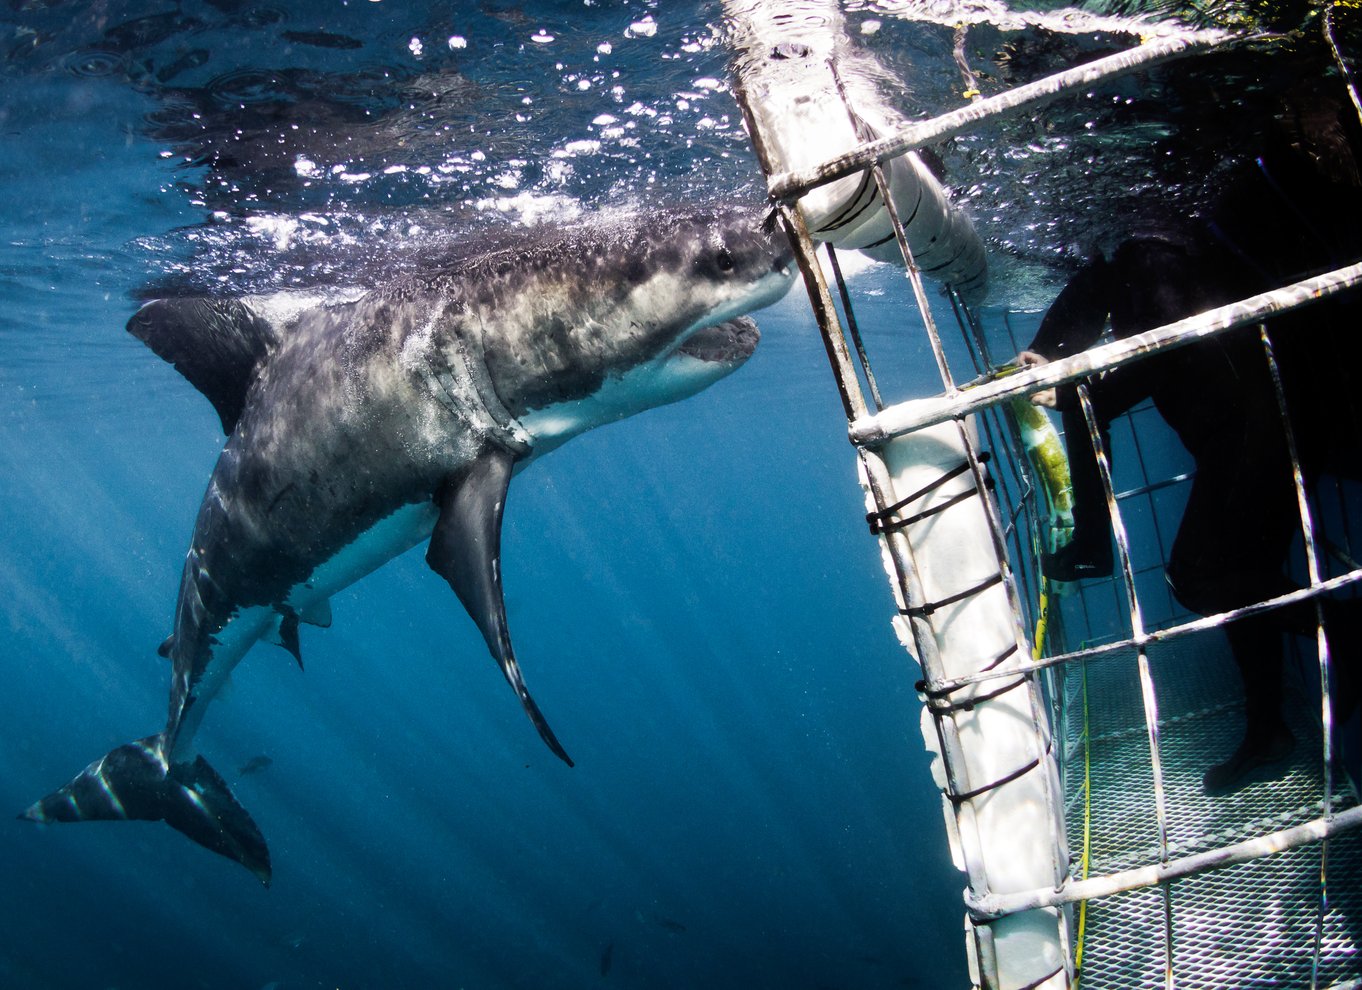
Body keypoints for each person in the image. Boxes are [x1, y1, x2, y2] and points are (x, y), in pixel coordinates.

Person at [1019, 96, 1362, 794]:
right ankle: (1268, 728)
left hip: (1264, 424)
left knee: (1204, 577)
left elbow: (1174, 334)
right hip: (1266, 424)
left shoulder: (1147, 244)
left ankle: (1351, 636)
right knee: (1246, 578)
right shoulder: (1133, 249)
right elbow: (1101, 295)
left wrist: (1082, 381)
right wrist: (1050, 357)